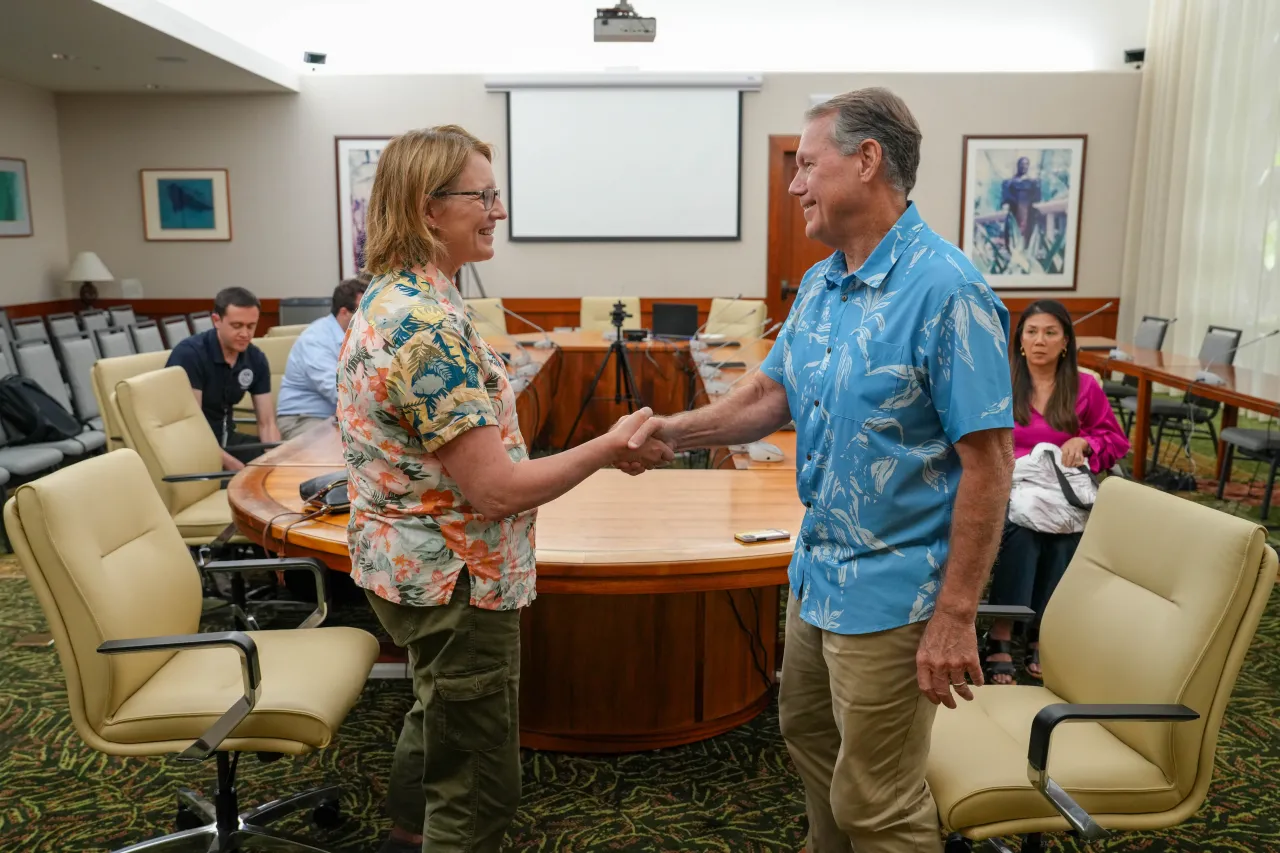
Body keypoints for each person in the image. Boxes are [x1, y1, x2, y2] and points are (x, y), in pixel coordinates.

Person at [623, 88, 1014, 853]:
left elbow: (990, 465)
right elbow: (771, 395)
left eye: (806, 164)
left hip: (897, 594)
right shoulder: (824, 282)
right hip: (818, 575)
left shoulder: (947, 290)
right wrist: (672, 429)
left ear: (867, 161)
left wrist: (957, 613)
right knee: (812, 748)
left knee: (879, 804)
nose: (794, 184)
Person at [336, 125, 673, 853]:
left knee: (440, 713)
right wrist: (607, 449)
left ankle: (405, 834)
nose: (500, 210)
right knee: (478, 781)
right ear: (429, 208)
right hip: (458, 579)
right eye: (483, 196)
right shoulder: (425, 326)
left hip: (415, 568)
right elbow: (494, 491)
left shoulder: (398, 297)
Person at [982, 300, 1130, 684]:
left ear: (1066, 342)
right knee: (1025, 534)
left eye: (1050, 333)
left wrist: (1086, 442)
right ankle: (1001, 631)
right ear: (1019, 340)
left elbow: (1114, 439)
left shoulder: (1085, 386)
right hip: (1010, 485)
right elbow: (978, 435)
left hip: (1061, 490)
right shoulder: (1000, 379)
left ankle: (1042, 634)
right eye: (1031, 332)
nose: (1040, 341)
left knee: (1065, 536)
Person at [166, 286, 280, 469]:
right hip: (193, 447)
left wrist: (275, 460)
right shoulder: (190, 355)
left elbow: (266, 423)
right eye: (237, 326)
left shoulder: (255, 358)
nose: (245, 334)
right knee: (248, 480)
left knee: (285, 463)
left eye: (251, 326)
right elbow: (193, 427)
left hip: (227, 439)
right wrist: (234, 466)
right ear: (216, 320)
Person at [275, 276, 369, 439]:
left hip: (336, 418)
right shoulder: (316, 339)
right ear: (344, 313)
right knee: (341, 449)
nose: (369, 319)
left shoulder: (358, 338)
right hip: (303, 418)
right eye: (363, 312)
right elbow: (337, 390)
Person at [1000, 155, 1041, 252]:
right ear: (1018, 166)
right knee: (1012, 237)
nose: (1024, 166)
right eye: (1022, 164)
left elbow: (1037, 198)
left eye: (1026, 164)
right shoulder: (1009, 183)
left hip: (1028, 214)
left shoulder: (1033, 182)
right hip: (1014, 213)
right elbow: (1006, 198)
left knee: (1028, 237)